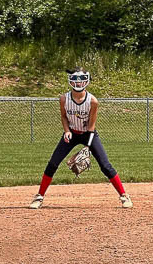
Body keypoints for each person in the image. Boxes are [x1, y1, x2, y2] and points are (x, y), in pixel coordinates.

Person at [29, 70, 133, 209]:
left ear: (86, 81)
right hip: (71, 134)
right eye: (75, 80)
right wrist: (66, 131)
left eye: (81, 79)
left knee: (105, 165)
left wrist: (87, 147)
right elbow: (64, 116)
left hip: (88, 134)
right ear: (70, 81)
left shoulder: (92, 101)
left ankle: (124, 196)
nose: (78, 83)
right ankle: (39, 197)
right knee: (53, 164)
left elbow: (91, 126)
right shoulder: (64, 99)